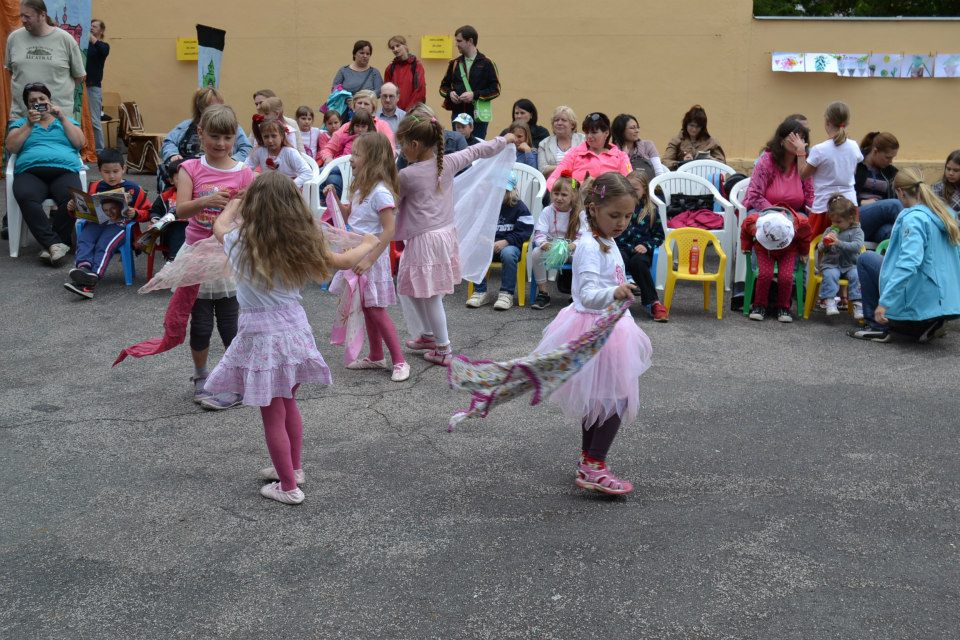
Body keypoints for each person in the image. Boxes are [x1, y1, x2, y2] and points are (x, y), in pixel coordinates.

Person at [205, 171, 379, 505]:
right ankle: (294, 469)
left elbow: (218, 227)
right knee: (288, 403)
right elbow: (343, 260)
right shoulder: (301, 242)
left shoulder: (239, 241)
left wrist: (235, 201)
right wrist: (369, 242)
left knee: (272, 413)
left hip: (262, 338)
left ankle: (288, 487)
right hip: (296, 332)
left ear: (254, 206)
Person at [533, 172, 653, 496]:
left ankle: (589, 461)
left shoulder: (606, 240)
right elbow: (585, 294)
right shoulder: (589, 245)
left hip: (610, 327)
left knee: (600, 398)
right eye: (615, 215)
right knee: (618, 398)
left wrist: (619, 286)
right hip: (594, 328)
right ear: (593, 208)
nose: (622, 222)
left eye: (627, 215)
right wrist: (614, 292)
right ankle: (595, 464)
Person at [395, 112, 514, 365]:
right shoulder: (447, 162)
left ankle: (443, 348)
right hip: (440, 236)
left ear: (414, 145)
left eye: (402, 144)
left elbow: (391, 202)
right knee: (411, 287)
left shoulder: (407, 176)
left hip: (425, 240)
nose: (401, 150)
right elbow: (478, 151)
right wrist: (505, 140)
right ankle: (428, 335)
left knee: (430, 295)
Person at [175, 104, 256, 411]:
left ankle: (234, 377)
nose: (221, 143)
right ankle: (200, 376)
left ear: (235, 137)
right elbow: (180, 210)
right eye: (214, 136)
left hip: (228, 259)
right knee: (200, 324)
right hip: (197, 255)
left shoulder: (244, 172)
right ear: (201, 133)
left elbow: (250, 215)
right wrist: (207, 200)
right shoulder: (190, 169)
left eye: (227, 137)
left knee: (231, 323)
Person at [328, 133, 409, 382]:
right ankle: (375, 355)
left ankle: (400, 360)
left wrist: (369, 260)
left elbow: (389, 230)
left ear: (372, 159)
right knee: (366, 307)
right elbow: (354, 217)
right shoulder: (361, 189)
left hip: (372, 258)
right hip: (358, 255)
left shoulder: (380, 193)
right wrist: (335, 200)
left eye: (356, 154)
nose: (350, 158)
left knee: (375, 310)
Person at [850, 168, 960, 343]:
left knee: (866, 258)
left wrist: (884, 303)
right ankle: (930, 321)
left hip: (920, 294)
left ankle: (878, 327)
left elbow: (909, 263)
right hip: (945, 300)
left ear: (900, 192)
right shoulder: (944, 213)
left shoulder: (914, 219)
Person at [6, 81, 84, 265]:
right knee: (26, 196)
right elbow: (12, 147)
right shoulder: (21, 124)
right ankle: (55, 244)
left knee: (72, 198)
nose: (38, 102)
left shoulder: (66, 121)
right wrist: (28, 125)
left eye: (42, 98)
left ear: (50, 101)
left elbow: (80, 143)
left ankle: (52, 245)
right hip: (30, 172)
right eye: (33, 100)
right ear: (28, 106)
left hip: (64, 170)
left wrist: (63, 118)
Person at [63, 149, 150, 298]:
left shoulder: (134, 189)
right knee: (84, 238)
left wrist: (134, 213)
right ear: (99, 171)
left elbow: (148, 212)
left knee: (104, 244)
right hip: (96, 223)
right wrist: (73, 208)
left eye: (116, 171)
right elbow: (86, 208)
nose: (111, 176)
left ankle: (94, 275)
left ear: (123, 169)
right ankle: (84, 269)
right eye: (107, 172)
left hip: (120, 226)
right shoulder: (95, 187)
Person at [465, 171, 534, 311]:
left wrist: (506, 241)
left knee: (508, 255)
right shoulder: (486, 206)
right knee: (476, 251)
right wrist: (483, 239)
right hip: (487, 245)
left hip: (510, 246)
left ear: (512, 191)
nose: (499, 193)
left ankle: (506, 294)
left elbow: (525, 231)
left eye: (504, 190)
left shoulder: (520, 208)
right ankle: (479, 292)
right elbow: (476, 227)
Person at [5, 0, 85, 119]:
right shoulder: (14, 38)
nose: (23, 20)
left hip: (58, 120)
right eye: (21, 15)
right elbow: (12, 72)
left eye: (27, 16)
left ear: (42, 15)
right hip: (21, 119)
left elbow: (79, 76)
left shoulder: (65, 39)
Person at [793, 102, 862, 238]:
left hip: (824, 207)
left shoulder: (820, 149)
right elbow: (852, 171)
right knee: (849, 243)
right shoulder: (854, 146)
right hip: (849, 206)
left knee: (814, 246)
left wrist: (800, 151)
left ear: (827, 121)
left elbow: (802, 175)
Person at [741, 207, 811, 322]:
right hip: (764, 249)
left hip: (788, 250)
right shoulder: (753, 222)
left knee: (786, 277)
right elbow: (745, 230)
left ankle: (783, 307)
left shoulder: (800, 224)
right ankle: (759, 306)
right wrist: (746, 246)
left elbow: (805, 238)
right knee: (765, 274)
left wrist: (804, 252)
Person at [161, 87, 252, 172]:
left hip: (218, 170)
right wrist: (172, 154)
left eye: (216, 106)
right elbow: (169, 141)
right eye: (208, 107)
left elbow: (246, 147)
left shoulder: (231, 125)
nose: (213, 111)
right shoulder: (186, 126)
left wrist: (231, 162)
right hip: (186, 169)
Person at [617, 170, 668, 321]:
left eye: (635, 189)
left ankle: (652, 302)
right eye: (628, 189)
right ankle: (617, 300)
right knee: (619, 259)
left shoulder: (651, 210)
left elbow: (659, 236)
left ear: (644, 190)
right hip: (621, 248)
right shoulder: (619, 208)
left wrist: (647, 245)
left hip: (641, 251)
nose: (631, 193)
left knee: (638, 262)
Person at [529, 171, 582, 310]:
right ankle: (543, 293)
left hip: (570, 249)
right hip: (552, 247)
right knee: (536, 253)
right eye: (556, 194)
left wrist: (573, 245)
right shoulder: (547, 211)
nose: (559, 198)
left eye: (564, 195)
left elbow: (584, 237)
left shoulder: (579, 213)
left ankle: (575, 294)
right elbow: (540, 232)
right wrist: (543, 243)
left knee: (581, 257)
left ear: (573, 196)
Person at [439, 25, 501, 140]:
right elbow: (443, 87)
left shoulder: (487, 63)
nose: (456, 44)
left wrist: (474, 95)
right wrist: (450, 94)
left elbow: (496, 90)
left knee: (477, 150)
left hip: (478, 116)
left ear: (470, 41)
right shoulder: (454, 63)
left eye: (459, 41)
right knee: (459, 149)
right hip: (458, 115)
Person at [546, 112, 631, 191]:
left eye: (594, 132)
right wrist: (572, 187)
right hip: (578, 201)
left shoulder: (621, 156)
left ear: (606, 133)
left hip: (610, 201)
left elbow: (628, 183)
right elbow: (552, 180)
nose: (589, 136)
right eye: (586, 132)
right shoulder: (574, 153)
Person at [744, 118, 813, 214]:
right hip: (763, 211)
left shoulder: (803, 161)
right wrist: (775, 213)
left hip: (795, 213)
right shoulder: (767, 161)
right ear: (781, 141)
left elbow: (810, 194)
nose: (799, 143)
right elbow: (754, 195)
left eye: (801, 138)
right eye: (793, 138)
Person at [815, 195, 864, 318]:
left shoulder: (857, 231)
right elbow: (820, 248)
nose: (835, 224)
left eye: (839, 222)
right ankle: (830, 301)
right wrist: (825, 244)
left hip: (850, 264)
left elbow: (857, 246)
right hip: (831, 264)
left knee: (857, 275)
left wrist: (839, 243)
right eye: (833, 221)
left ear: (850, 219)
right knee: (830, 275)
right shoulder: (829, 230)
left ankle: (858, 304)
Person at [855, 131, 903, 243]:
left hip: (877, 224)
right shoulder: (855, 164)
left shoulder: (891, 173)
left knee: (893, 232)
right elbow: (840, 193)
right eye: (887, 157)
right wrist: (860, 201)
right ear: (875, 151)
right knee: (894, 205)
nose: (891, 161)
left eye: (892, 158)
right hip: (855, 216)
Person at [246, 116, 312, 189]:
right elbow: (246, 168)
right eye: (266, 137)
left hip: (288, 191)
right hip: (267, 189)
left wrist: (292, 185)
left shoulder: (290, 152)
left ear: (282, 136)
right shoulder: (260, 151)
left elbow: (307, 172)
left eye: (274, 136)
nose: (270, 140)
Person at [662, 105, 726, 170]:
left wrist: (711, 160)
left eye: (698, 127)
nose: (694, 129)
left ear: (702, 127)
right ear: (686, 124)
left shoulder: (712, 142)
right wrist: (682, 162)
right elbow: (665, 162)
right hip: (682, 176)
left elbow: (723, 163)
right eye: (691, 125)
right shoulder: (676, 140)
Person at [611, 114, 667, 180]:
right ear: (620, 131)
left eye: (637, 127)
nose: (637, 131)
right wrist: (624, 156)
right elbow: (614, 178)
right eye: (632, 128)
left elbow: (659, 173)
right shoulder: (612, 150)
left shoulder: (648, 145)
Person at [538, 106, 584, 180]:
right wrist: (565, 168)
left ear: (572, 124)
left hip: (576, 183)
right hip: (552, 185)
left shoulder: (583, 140)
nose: (559, 123)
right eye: (556, 120)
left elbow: (586, 165)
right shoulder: (544, 144)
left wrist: (556, 168)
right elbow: (543, 170)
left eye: (564, 120)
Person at [85, 19, 109, 153]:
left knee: (95, 120)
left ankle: (100, 150)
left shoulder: (103, 46)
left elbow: (103, 51)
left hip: (93, 86)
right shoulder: (84, 45)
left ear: (101, 31)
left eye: (94, 26)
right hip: (80, 85)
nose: (91, 28)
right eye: (90, 26)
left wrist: (92, 38)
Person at [384, 35, 426, 111]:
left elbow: (420, 90)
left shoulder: (416, 66)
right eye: (392, 48)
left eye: (398, 46)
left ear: (405, 46)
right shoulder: (390, 68)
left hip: (412, 112)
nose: (395, 49)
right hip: (394, 112)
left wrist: (409, 110)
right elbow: (387, 91)